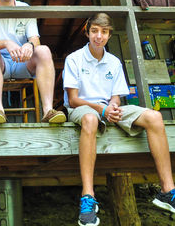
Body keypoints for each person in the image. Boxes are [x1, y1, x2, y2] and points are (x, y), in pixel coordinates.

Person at [63, 13, 175, 226]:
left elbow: (116, 95)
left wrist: (112, 107)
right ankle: (88, 197)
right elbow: (74, 99)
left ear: (109, 35)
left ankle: (167, 191)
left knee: (154, 117)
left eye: (104, 32)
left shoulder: (113, 62)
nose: (99, 36)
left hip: (108, 108)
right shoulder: (74, 58)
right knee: (90, 119)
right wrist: (102, 110)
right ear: (87, 32)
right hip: (84, 108)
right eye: (95, 31)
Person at [0, 0, 66, 124]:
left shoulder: (25, 8)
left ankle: (48, 110)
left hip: (22, 61)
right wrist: (6, 43)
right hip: (1, 64)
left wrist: (29, 45)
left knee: (43, 50)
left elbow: (35, 39)